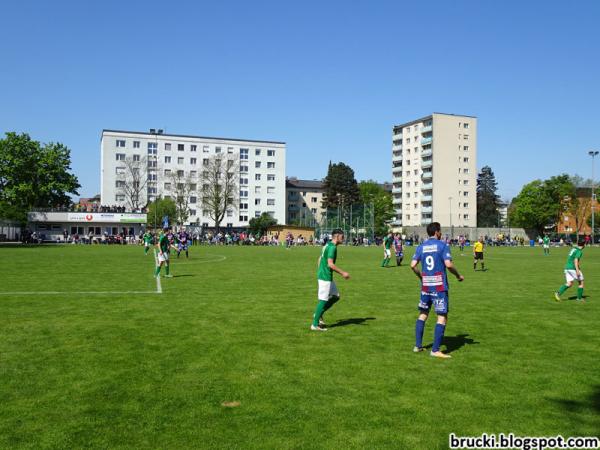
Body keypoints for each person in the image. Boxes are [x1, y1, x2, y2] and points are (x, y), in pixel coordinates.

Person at [411, 222, 464, 358]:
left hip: (426, 286)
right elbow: (448, 264)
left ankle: (418, 346)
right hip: (439, 286)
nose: (440, 233)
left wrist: (421, 277)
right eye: (440, 231)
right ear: (437, 232)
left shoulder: (421, 246)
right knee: (442, 316)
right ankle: (435, 350)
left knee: (423, 314)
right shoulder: (443, 245)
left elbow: (412, 265)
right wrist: (458, 275)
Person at [311, 229, 350, 331]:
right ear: (337, 236)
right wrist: (343, 273)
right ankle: (315, 324)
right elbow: (330, 264)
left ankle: (318, 314)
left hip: (324, 275)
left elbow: (320, 258)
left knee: (336, 296)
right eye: (342, 236)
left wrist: (319, 271)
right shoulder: (332, 248)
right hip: (325, 277)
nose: (343, 238)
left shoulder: (327, 245)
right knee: (323, 300)